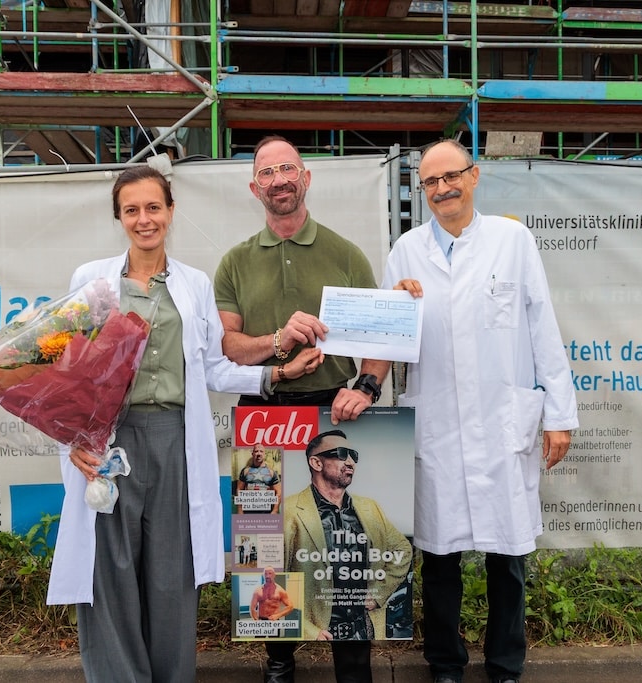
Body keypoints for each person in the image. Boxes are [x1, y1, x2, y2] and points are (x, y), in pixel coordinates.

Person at [45, 165, 308, 682]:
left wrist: (276, 373)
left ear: (170, 211)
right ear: (118, 217)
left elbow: (212, 365)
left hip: (173, 440)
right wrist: (72, 438)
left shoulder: (193, 283)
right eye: (132, 210)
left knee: (171, 573)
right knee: (110, 572)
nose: (144, 219)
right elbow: (64, 367)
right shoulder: (92, 280)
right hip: (109, 441)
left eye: (154, 207)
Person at [370, 139, 579, 683]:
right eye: (431, 182)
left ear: (475, 176)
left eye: (451, 176)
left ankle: (506, 663)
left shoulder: (512, 241)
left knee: (506, 557)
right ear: (422, 191)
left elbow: (542, 328)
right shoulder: (406, 252)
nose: (442, 189)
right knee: (439, 557)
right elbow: (385, 342)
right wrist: (398, 303)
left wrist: (559, 414)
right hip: (438, 424)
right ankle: (445, 662)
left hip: (500, 422)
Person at [214, 135, 384, 683]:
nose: (280, 179)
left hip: (335, 411)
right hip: (263, 409)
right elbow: (227, 347)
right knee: (269, 542)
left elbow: (380, 339)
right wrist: (278, 339)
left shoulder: (345, 254)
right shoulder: (235, 262)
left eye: (289, 168)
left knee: (343, 542)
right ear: (254, 186)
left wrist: (368, 386)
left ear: (305, 178)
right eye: (268, 172)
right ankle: (279, 660)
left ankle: (352, 663)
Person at [284, 429, 412, 642]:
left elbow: (402, 550)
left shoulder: (370, 508)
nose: (351, 461)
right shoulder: (288, 510)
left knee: (357, 675)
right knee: (285, 669)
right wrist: (306, 629)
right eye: (342, 454)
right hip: (314, 629)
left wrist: (378, 594)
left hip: (361, 627)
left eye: (354, 455)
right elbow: (268, 577)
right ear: (316, 463)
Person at [237, 443, 283, 514]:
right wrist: (240, 510)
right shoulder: (245, 471)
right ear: (252, 454)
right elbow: (239, 489)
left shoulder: (271, 472)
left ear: (264, 454)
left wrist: (275, 510)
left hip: (266, 512)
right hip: (248, 512)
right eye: (256, 451)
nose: (259, 453)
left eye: (261, 451)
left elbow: (279, 492)